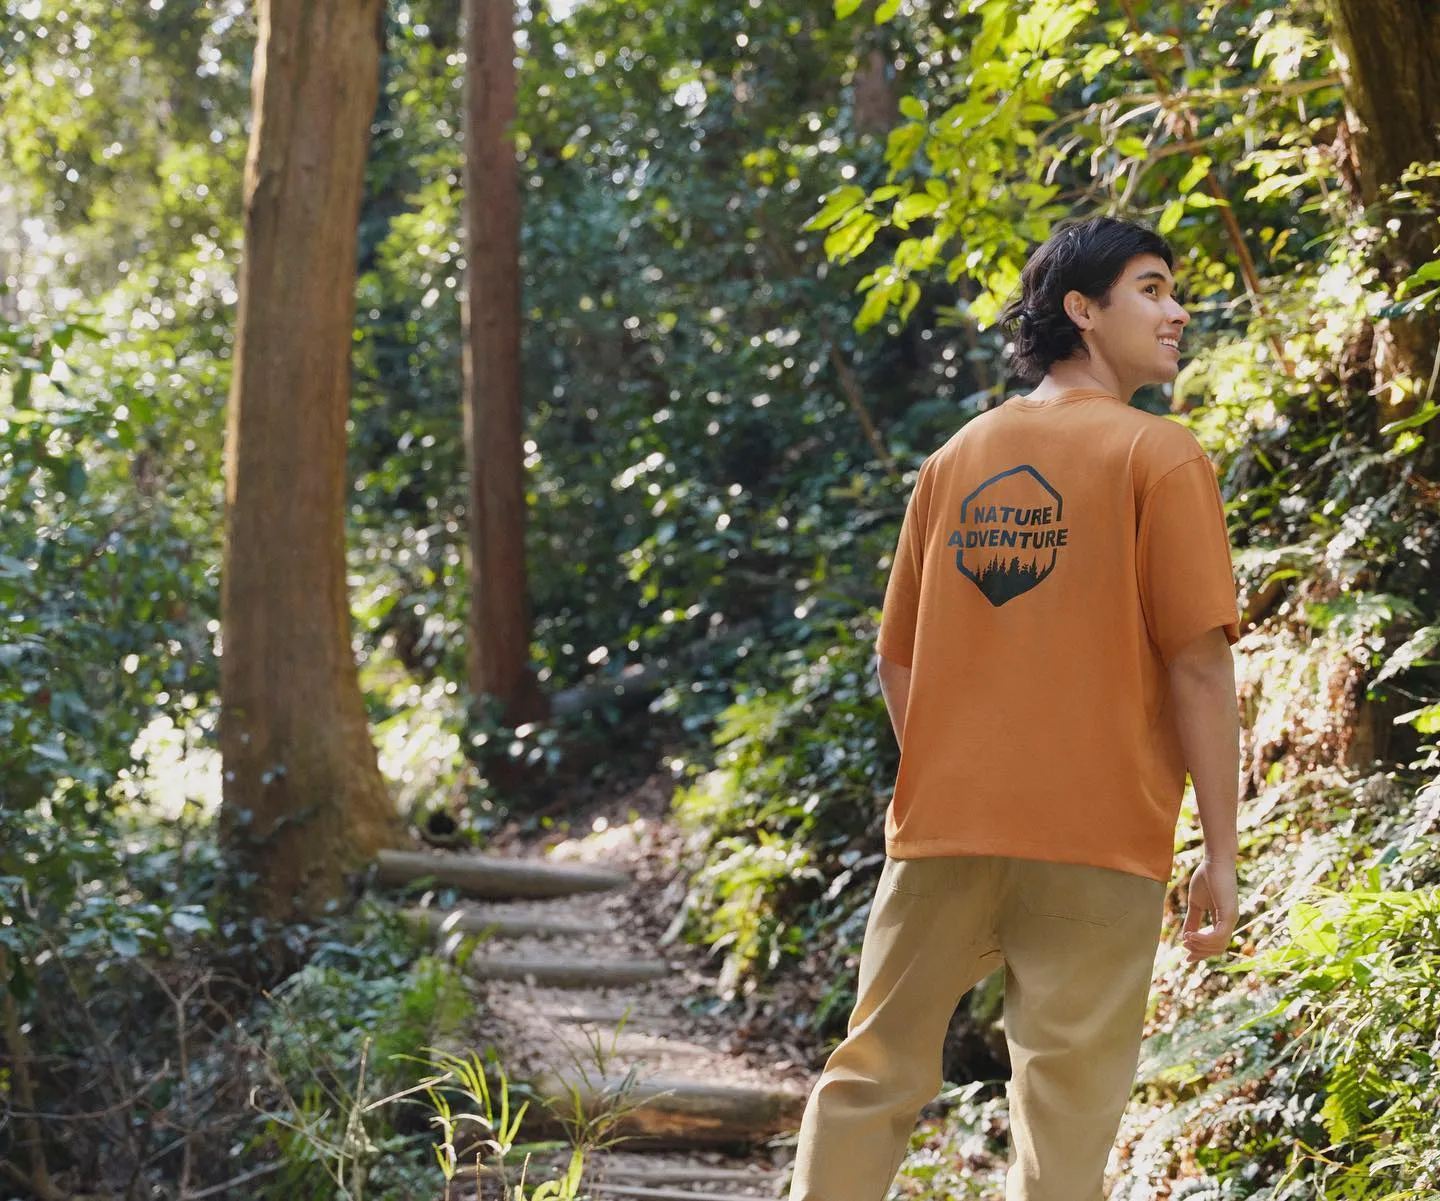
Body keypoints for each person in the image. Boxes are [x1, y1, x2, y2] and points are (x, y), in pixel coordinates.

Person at [788, 215, 1242, 1201]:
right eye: (1153, 289)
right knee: (1067, 1112)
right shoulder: (1160, 457)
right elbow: (1199, 668)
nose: (1177, 312)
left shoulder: (955, 457)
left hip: (945, 828)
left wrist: (950, 774)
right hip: (1098, 835)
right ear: (1083, 309)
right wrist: (1220, 848)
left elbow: (895, 659)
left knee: (872, 1074)